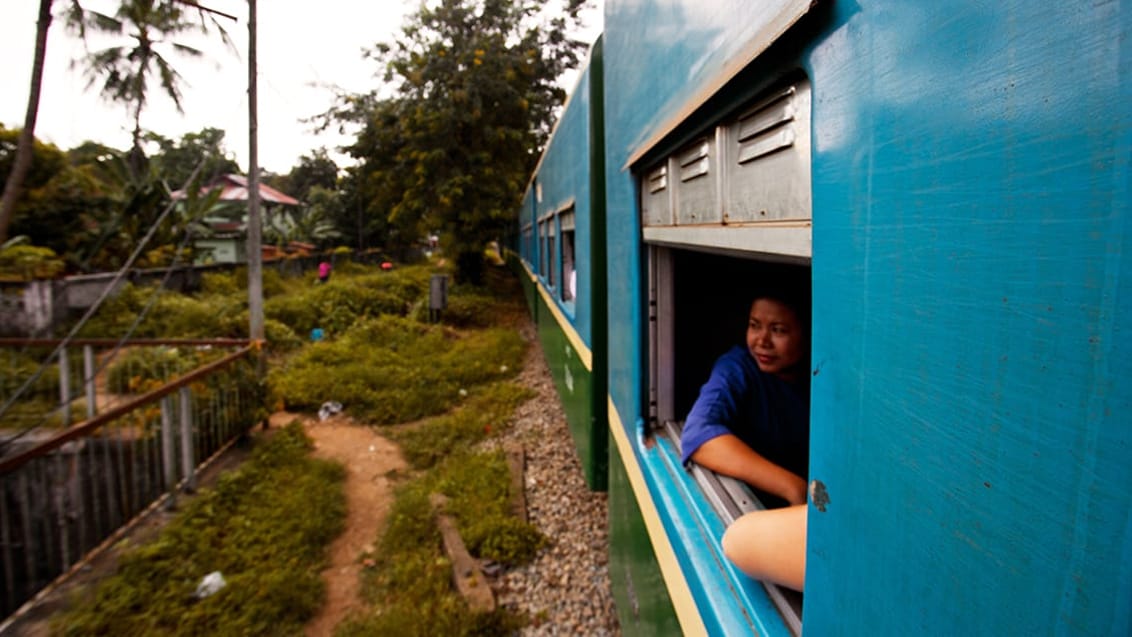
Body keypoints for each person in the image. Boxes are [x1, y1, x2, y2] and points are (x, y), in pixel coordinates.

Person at [679, 290, 810, 590]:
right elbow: (698, 435)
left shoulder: (821, 375)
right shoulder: (737, 368)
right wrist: (792, 486)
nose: (761, 341)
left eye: (778, 330)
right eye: (754, 325)